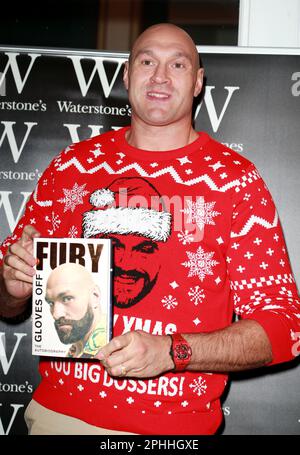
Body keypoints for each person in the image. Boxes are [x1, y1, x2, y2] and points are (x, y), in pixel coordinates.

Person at [0, 23, 299, 435]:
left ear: (197, 82)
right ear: (126, 75)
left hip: (175, 429)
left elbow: (284, 327)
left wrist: (172, 351)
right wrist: (15, 286)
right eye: (146, 61)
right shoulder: (71, 168)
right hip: (59, 418)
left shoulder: (236, 182)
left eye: (177, 64)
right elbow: (8, 302)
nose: (159, 76)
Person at [45, 262, 106, 358]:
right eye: (51, 303)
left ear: (95, 296)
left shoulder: (111, 348)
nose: (56, 314)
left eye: (67, 299)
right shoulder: (77, 347)